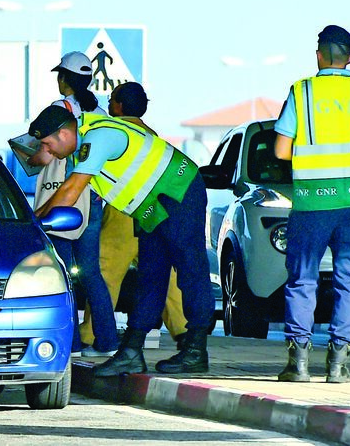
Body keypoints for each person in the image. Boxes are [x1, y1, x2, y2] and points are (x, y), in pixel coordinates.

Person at [29, 103, 214, 376]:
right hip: (151, 203)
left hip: (178, 190)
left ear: (64, 133)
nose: (48, 152)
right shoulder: (82, 147)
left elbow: (71, 190)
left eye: (47, 144)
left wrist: (32, 226)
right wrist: (33, 220)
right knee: (151, 275)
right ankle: (131, 352)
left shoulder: (98, 136)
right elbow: (68, 190)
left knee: (190, 269)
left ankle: (196, 350)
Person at [273, 25, 350, 384]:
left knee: (302, 278)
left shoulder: (302, 92)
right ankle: (338, 363)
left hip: (311, 202)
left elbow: (282, 149)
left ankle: (297, 364)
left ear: (319, 55)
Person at [79, 82, 189, 348]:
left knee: (105, 272)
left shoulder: (114, 133)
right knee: (167, 275)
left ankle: (93, 332)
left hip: (123, 213)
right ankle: (185, 330)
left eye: (112, 100)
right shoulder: (154, 137)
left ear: (118, 106)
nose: (108, 105)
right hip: (156, 214)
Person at [29, 52, 119, 358]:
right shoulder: (101, 112)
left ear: (65, 79)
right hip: (93, 197)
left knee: (61, 271)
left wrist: (32, 154)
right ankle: (107, 341)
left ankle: (73, 344)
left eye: (60, 75)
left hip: (62, 195)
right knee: (91, 272)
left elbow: (39, 155)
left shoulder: (57, 111)